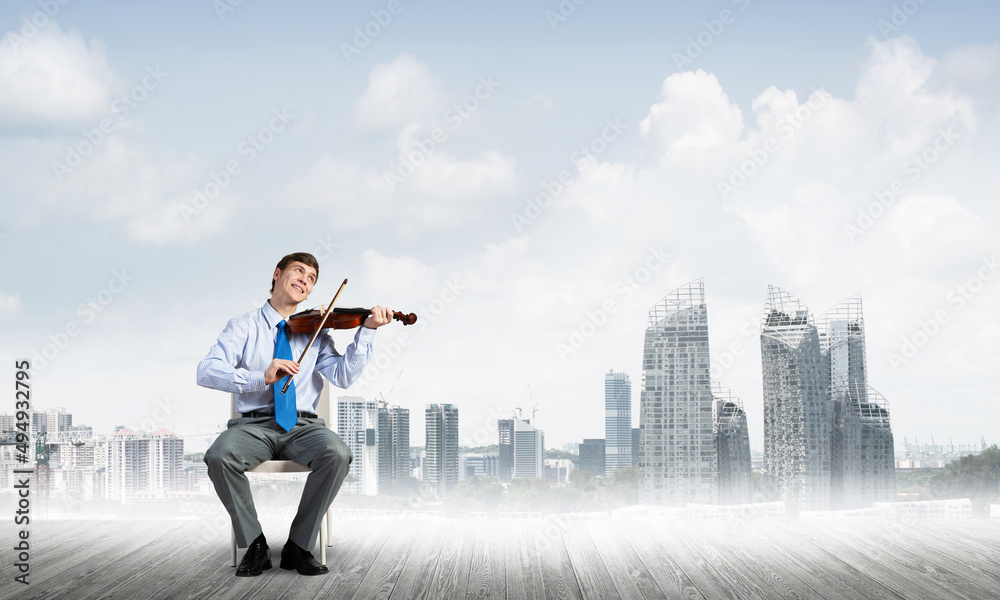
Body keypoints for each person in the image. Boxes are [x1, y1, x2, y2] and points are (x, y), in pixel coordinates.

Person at [197, 252, 391, 577]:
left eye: (312, 278)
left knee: (338, 453)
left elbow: (343, 376)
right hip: (254, 425)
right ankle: (255, 545)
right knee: (219, 456)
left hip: (303, 426)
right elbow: (206, 371)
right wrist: (261, 376)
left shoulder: (316, 332)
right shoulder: (243, 327)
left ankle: (298, 546)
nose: (304, 279)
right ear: (277, 274)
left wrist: (368, 330)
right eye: (298, 271)